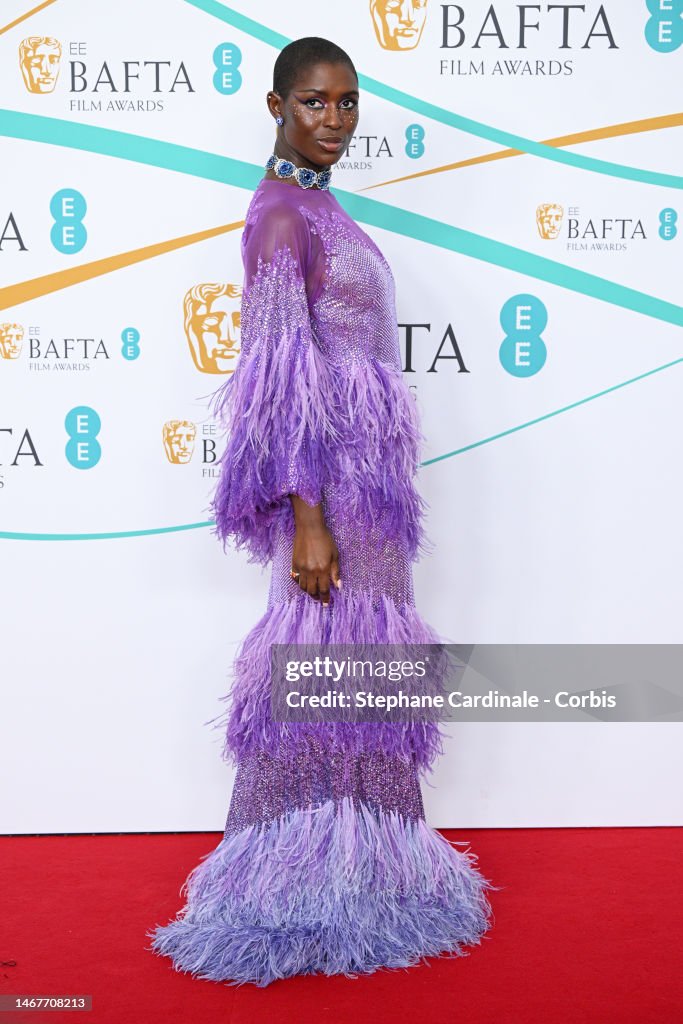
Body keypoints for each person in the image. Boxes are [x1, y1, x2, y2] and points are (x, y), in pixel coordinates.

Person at [147, 36, 496, 987]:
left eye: (346, 102)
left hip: (368, 484)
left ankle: (365, 868)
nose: (334, 119)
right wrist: (307, 517)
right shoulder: (278, 218)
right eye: (314, 102)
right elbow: (279, 384)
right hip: (331, 486)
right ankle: (290, 874)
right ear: (274, 105)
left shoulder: (320, 203)